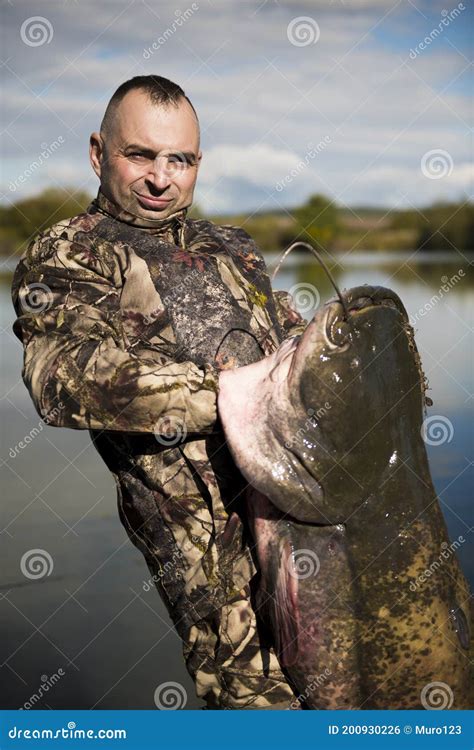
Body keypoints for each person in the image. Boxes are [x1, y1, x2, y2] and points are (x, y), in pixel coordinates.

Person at [11, 75, 307, 710]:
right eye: (140, 154)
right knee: (264, 712)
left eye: (182, 159)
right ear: (98, 153)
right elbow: (65, 377)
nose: (161, 178)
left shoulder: (231, 248)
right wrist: (244, 394)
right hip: (213, 567)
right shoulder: (67, 254)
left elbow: (298, 346)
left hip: (310, 522)